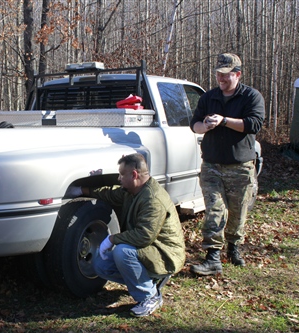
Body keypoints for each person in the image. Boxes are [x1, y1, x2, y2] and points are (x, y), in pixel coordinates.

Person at [68, 153, 185, 317]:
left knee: (122, 252)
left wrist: (112, 239)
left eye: (122, 174)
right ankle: (147, 282)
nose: (118, 178)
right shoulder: (133, 191)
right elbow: (110, 194)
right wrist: (81, 190)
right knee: (100, 265)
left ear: (134, 175)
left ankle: (149, 297)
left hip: (165, 254)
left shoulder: (153, 199)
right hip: (150, 250)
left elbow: (144, 236)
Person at [189, 53, 265, 276]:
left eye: (225, 75)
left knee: (237, 211)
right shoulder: (209, 97)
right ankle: (212, 256)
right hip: (212, 164)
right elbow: (194, 125)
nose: (221, 79)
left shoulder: (251, 96)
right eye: (218, 75)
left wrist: (224, 121)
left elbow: (254, 124)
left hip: (240, 166)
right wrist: (205, 125)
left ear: (237, 74)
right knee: (214, 209)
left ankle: (233, 247)